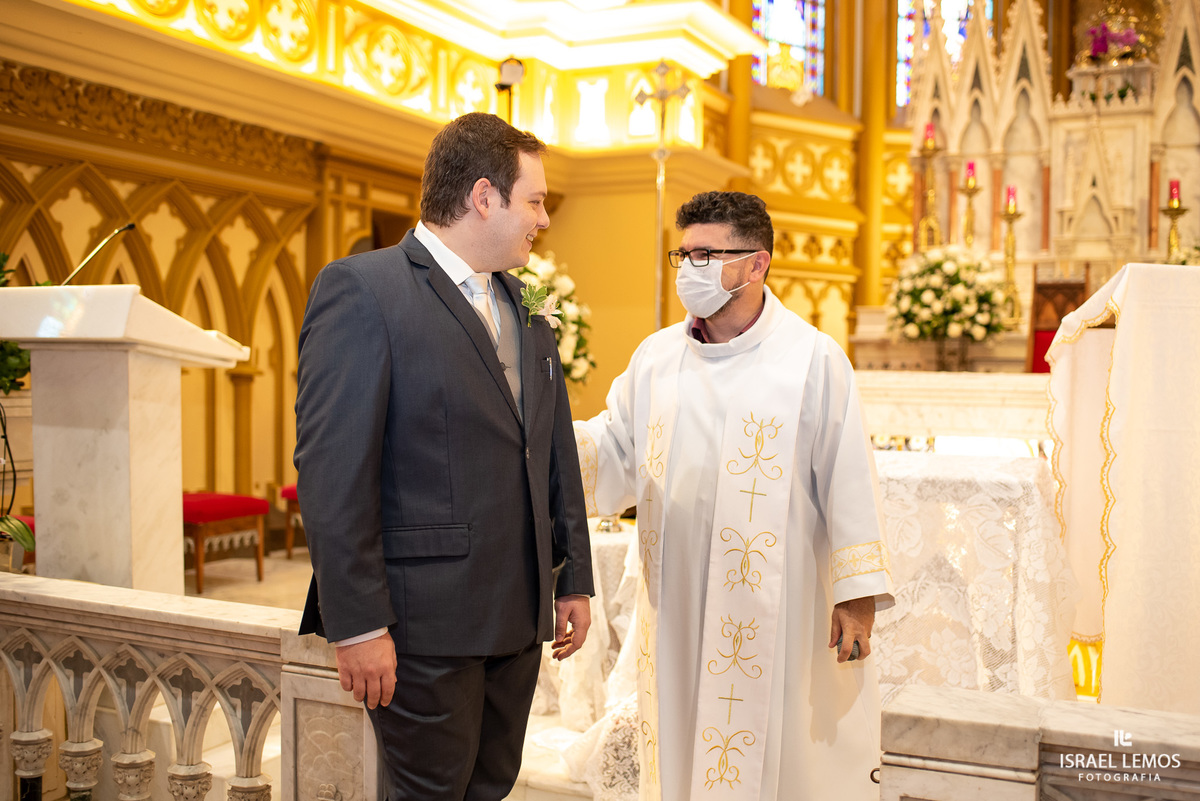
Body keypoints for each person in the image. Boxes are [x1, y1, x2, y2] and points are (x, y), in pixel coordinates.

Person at [294, 111, 594, 801]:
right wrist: (359, 622)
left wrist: (572, 573)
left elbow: (549, 443)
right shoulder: (364, 291)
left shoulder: (528, 303)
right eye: (536, 200)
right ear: (484, 197)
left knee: (489, 787)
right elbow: (334, 470)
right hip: (420, 624)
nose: (543, 219)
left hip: (515, 620)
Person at [573, 191, 894, 800]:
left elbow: (849, 477)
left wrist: (858, 599)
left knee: (779, 756)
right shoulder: (656, 357)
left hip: (778, 609)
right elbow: (615, 450)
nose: (689, 269)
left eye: (706, 254)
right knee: (678, 745)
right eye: (683, 254)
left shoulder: (812, 360)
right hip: (675, 603)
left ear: (757, 263)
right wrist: (549, 442)